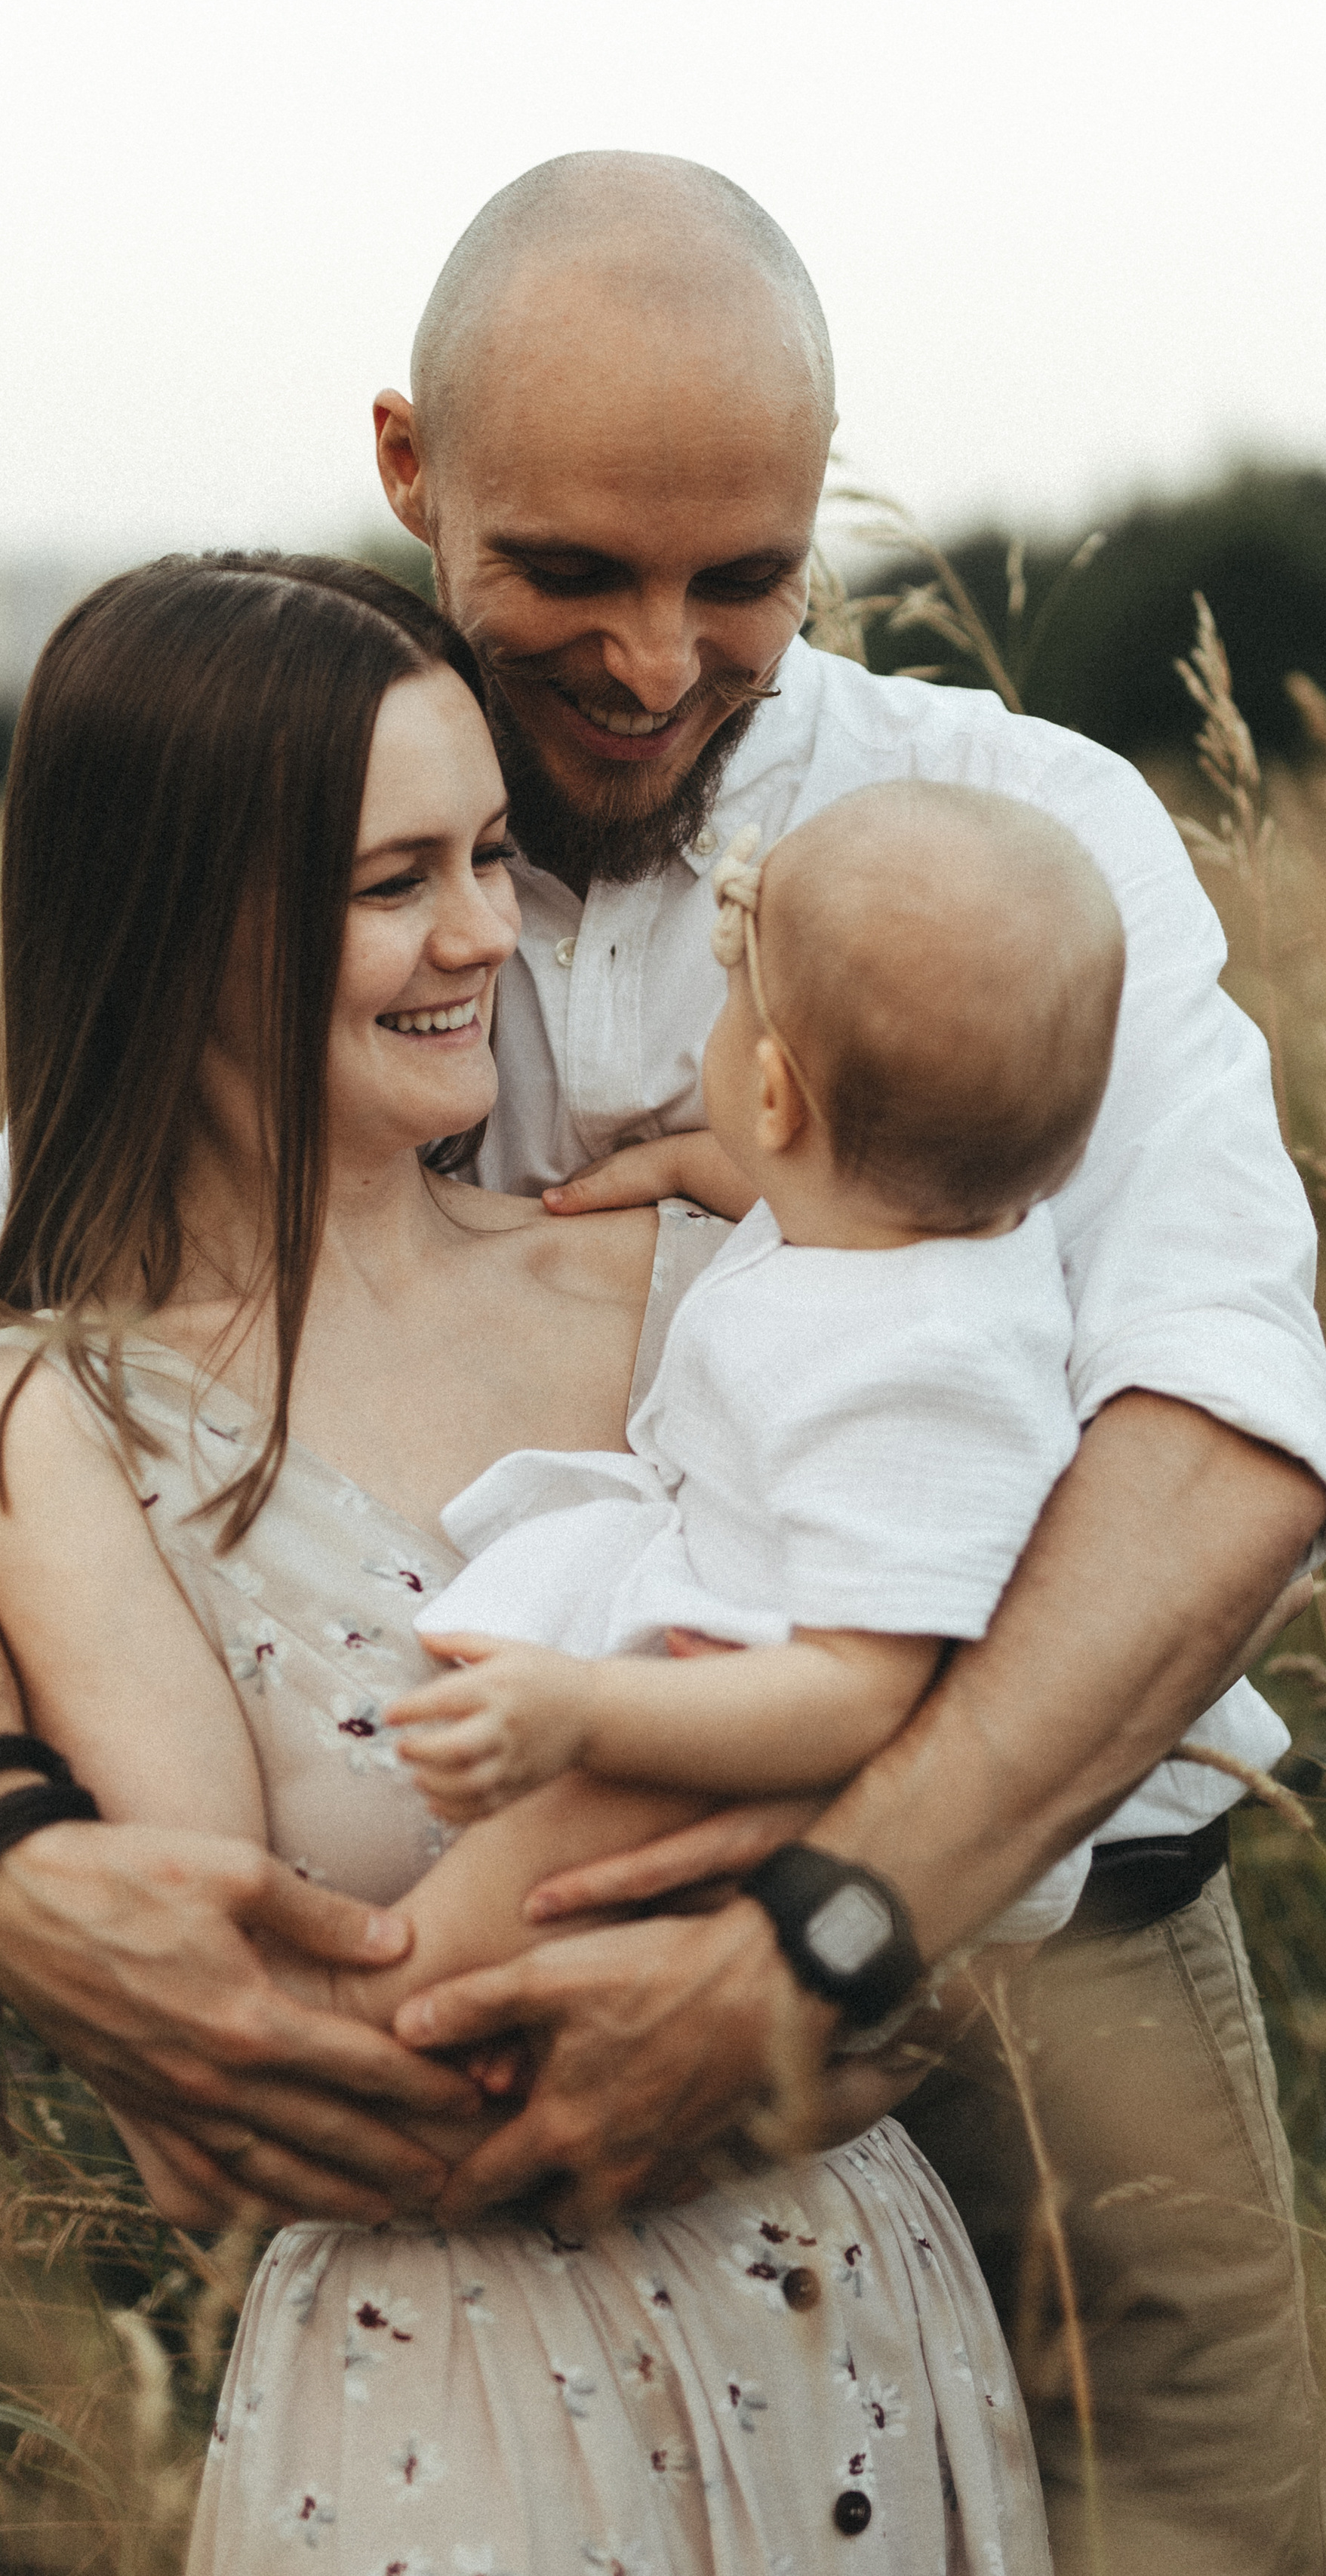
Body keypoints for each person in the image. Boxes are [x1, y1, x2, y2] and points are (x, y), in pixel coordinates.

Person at [0, 155, 1326, 2575]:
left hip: (1057, 1949)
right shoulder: (281, 819)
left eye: (741, 578)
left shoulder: (1026, 835)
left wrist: (830, 1930)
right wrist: (20, 1860)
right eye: (570, 579)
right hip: (471, 2039)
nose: (652, 663)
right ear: (415, 470)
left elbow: (1222, 1438)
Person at [0, 551, 1054, 2574]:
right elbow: (222, 2061)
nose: (489, 932)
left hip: (841, 2315)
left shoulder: (704, 1284)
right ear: (176, 920)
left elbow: (997, 1774)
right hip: (438, 2394)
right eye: (397, 881)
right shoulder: (69, 1425)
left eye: (492, 853)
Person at [402, 785, 1156, 1959]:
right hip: (744, 1637)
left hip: (794, 1726)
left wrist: (590, 1713)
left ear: (770, 1094)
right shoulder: (919, 1220)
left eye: (727, 1012)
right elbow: (806, 1188)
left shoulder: (924, 1371)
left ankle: (390, 1995)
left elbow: (865, 1687)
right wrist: (694, 1168)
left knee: (559, 1834)